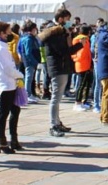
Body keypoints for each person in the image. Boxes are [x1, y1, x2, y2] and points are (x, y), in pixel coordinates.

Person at [39, 9, 85, 137]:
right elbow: (63, 50)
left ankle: (57, 122)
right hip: (57, 66)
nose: (68, 22)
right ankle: (53, 125)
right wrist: (79, 45)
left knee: (57, 97)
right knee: (56, 97)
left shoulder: (60, 31)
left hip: (61, 66)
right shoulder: (53, 32)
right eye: (67, 19)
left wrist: (70, 35)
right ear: (61, 19)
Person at [0, 22, 25, 154]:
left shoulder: (4, 47)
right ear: (2, 33)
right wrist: (20, 75)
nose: (11, 34)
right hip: (5, 84)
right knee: (4, 113)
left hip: (11, 83)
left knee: (15, 111)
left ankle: (14, 139)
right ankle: (2, 142)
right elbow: (8, 69)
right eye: (9, 31)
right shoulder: (0, 49)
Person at [71, 25, 93, 111]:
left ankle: (82, 102)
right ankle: (77, 102)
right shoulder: (83, 39)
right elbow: (82, 53)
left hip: (84, 64)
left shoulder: (83, 39)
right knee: (81, 85)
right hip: (82, 64)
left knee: (84, 84)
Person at [20, 23, 41, 104]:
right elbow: (28, 52)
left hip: (31, 61)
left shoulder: (30, 38)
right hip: (30, 62)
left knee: (30, 78)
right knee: (29, 78)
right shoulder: (28, 39)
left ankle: (29, 94)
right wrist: (34, 61)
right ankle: (27, 94)